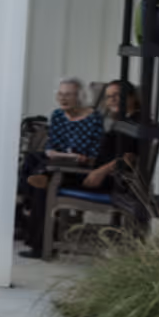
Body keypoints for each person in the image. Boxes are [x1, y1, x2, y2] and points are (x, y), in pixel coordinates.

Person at [19, 79, 144, 258]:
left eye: (118, 96)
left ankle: (40, 245)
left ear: (132, 97)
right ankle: (35, 230)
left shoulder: (134, 124)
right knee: (40, 168)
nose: (113, 100)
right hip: (97, 173)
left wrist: (100, 171)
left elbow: (130, 158)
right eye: (109, 97)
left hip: (109, 180)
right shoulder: (124, 121)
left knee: (45, 183)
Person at [17, 77, 103, 248]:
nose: (63, 98)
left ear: (80, 96)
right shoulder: (57, 115)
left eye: (69, 95)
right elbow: (51, 147)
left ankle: (36, 239)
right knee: (33, 159)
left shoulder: (94, 118)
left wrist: (69, 156)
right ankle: (29, 197)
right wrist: (69, 154)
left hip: (77, 170)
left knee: (42, 181)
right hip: (57, 162)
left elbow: (89, 154)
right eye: (61, 94)